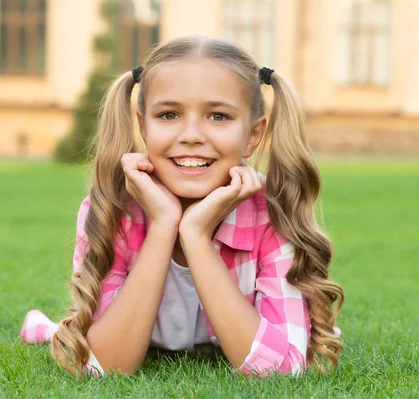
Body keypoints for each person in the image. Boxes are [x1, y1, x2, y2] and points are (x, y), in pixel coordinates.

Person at [20, 36, 343, 377]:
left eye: (218, 116)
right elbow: (106, 365)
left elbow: (282, 370)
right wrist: (163, 224)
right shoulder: (115, 209)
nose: (191, 135)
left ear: (252, 135)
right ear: (143, 126)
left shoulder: (272, 213)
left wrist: (196, 234)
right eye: (169, 114)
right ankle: (50, 329)